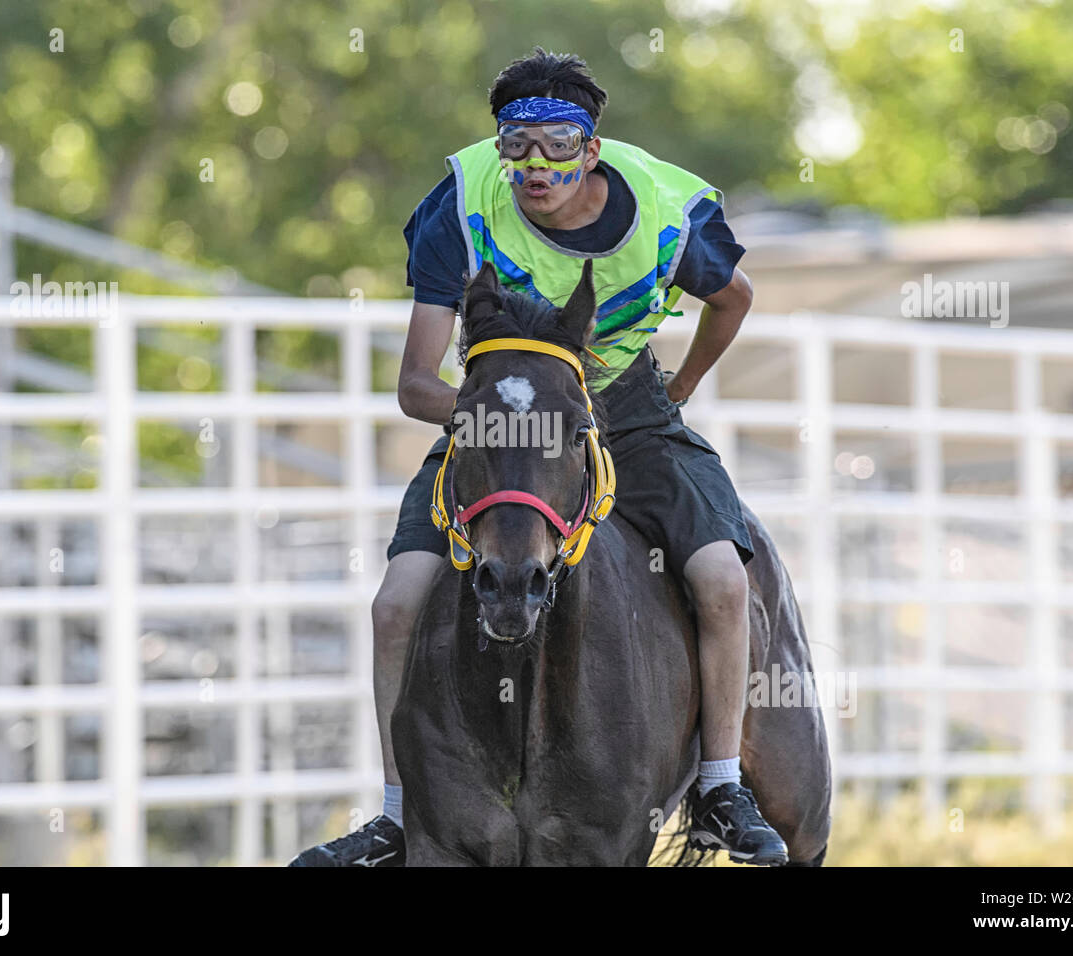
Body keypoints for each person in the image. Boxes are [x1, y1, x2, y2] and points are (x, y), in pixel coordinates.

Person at [291, 47, 787, 867]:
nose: (533, 165)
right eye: (515, 146)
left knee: (722, 580)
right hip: (494, 413)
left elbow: (734, 297)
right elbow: (418, 383)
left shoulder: (668, 211)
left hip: (624, 401)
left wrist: (685, 384)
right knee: (393, 607)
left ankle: (720, 787)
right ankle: (395, 817)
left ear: (590, 149)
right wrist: (501, 414)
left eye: (557, 144)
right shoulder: (459, 203)